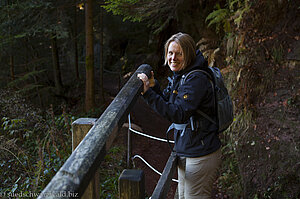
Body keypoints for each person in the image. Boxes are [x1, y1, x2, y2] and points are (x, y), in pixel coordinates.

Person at [137, 32, 222, 199]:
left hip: (201, 154)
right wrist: (153, 87)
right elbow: (170, 102)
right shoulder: (183, 74)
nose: (173, 58)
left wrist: (147, 94)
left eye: (179, 53)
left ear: (188, 54)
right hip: (189, 150)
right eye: (170, 53)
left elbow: (178, 113)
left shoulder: (196, 78)